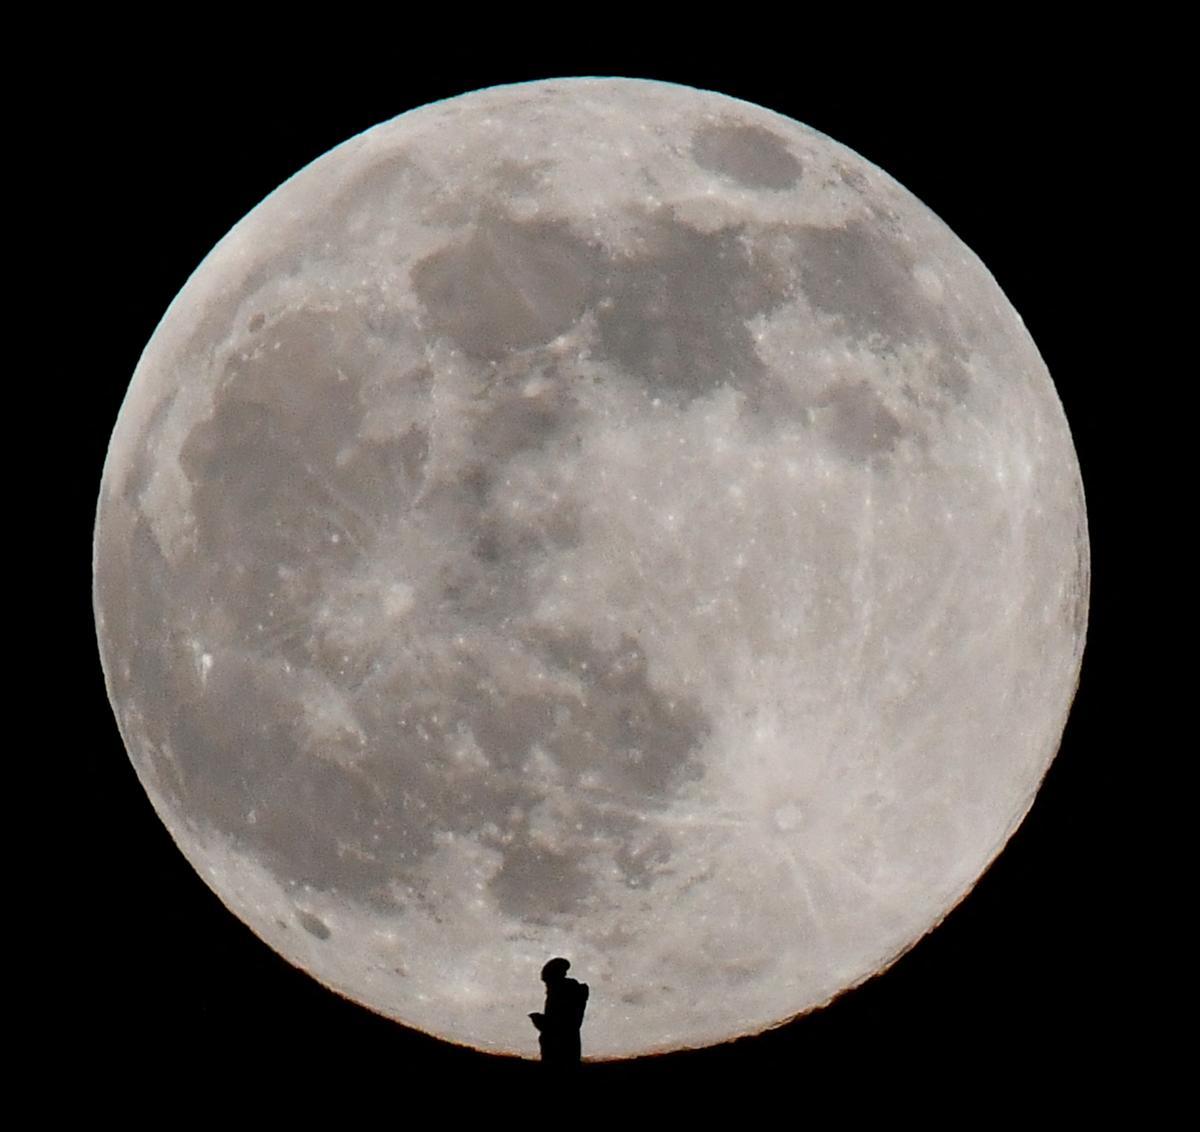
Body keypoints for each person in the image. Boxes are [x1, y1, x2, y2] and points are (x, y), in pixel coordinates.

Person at [529, 956, 588, 1067]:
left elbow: (560, 1026)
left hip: (559, 1051)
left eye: (547, 982)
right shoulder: (566, 990)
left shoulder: (563, 992)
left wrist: (539, 1020)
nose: (546, 988)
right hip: (564, 1047)